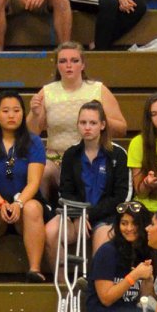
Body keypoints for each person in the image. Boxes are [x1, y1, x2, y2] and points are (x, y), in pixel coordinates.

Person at [28, 40, 126, 197]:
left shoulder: (98, 89)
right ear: (57, 65)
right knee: (41, 170)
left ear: (83, 65)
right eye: (63, 61)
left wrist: (98, 117)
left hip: (91, 158)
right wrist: (35, 113)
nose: (69, 65)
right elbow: (31, 133)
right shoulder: (47, 92)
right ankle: (43, 209)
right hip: (56, 160)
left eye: (74, 61)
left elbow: (121, 129)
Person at [0, 90, 47, 282]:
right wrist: (2, 204)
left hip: (24, 204)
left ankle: (35, 269)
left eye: (16, 110)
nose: (11, 115)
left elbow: (34, 182)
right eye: (5, 111)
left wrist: (19, 203)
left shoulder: (34, 142)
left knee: (32, 207)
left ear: (23, 113)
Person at [47, 100, 131, 264]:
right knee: (50, 232)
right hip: (75, 216)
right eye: (83, 122)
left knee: (102, 245)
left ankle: (95, 280)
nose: (87, 127)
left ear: (102, 125)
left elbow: (122, 196)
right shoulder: (71, 154)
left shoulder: (118, 154)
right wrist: (78, 214)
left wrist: (88, 214)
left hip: (107, 217)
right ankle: (62, 280)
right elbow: (65, 192)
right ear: (77, 125)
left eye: (93, 123)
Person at [86, 203, 152, 312]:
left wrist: (148, 281)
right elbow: (106, 299)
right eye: (124, 223)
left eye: (135, 223)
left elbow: (141, 297)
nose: (129, 228)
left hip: (130, 310)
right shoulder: (107, 251)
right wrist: (134, 276)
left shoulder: (141, 251)